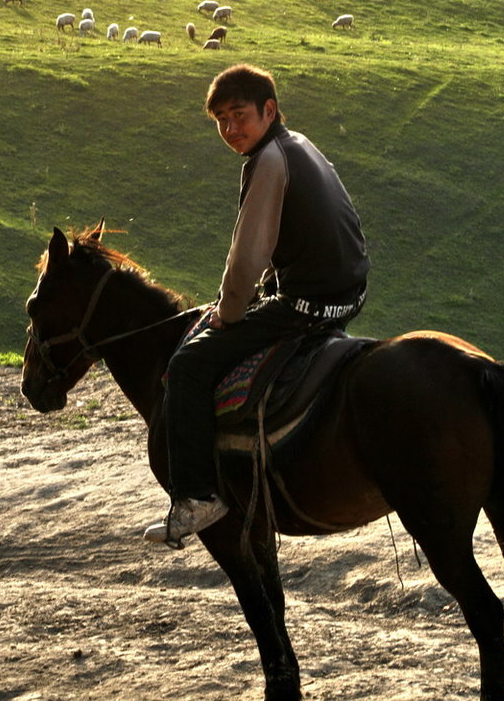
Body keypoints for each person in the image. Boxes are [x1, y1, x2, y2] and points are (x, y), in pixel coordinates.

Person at [144, 64, 370, 547]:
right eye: (221, 120)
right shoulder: (300, 144)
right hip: (350, 294)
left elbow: (247, 257)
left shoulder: (267, 162)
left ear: (270, 110)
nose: (230, 129)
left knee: (188, 364)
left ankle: (197, 497)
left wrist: (227, 315)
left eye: (239, 115)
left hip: (308, 304)